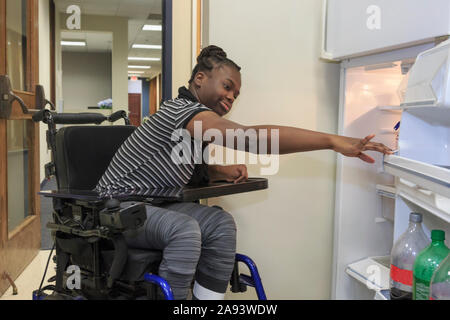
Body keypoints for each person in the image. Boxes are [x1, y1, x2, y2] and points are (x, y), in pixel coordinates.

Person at [95, 45, 393, 300]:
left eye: (236, 94)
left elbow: (174, 161)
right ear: (200, 79)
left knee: (221, 223)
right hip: (119, 208)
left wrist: (217, 171)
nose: (231, 97)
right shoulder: (182, 112)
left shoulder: (192, 123)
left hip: (155, 206)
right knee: (185, 230)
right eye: (227, 86)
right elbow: (251, 138)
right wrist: (330, 141)